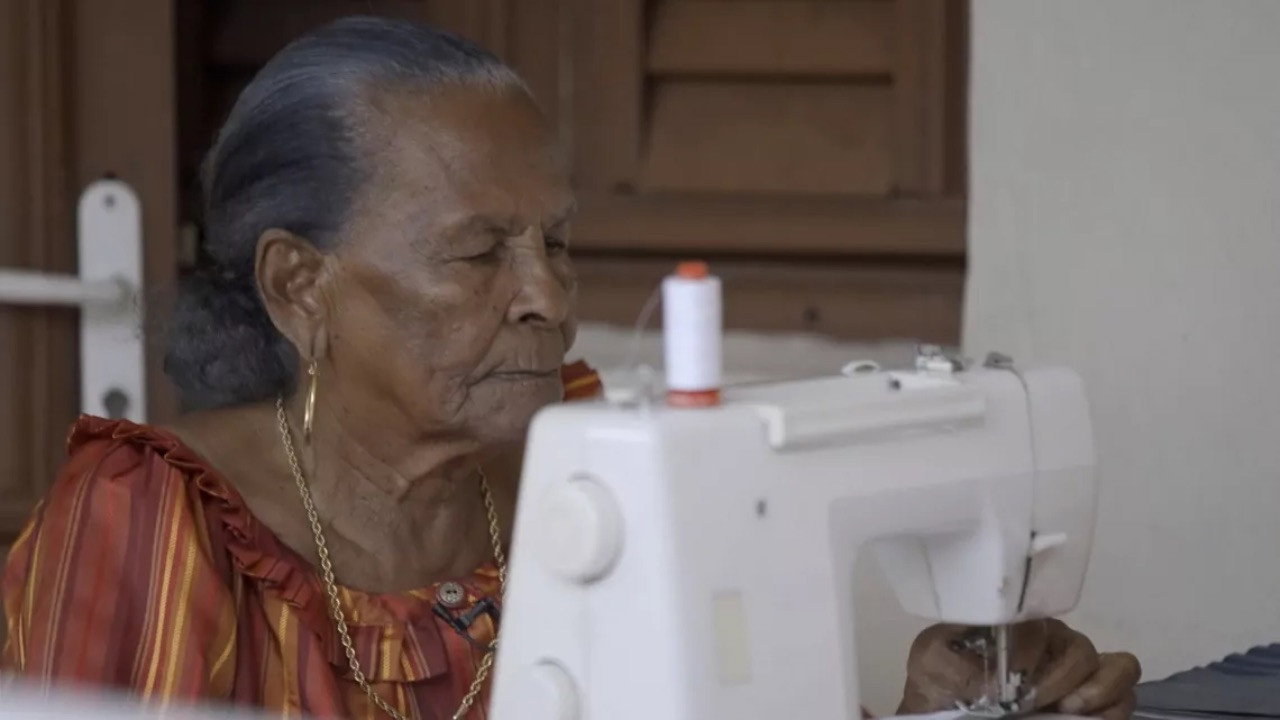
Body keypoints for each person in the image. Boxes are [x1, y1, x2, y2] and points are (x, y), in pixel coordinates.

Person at [0, 16, 1140, 720]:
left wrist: (926, 713)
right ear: (302, 286)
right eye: (478, 251)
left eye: (554, 242)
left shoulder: (612, 472)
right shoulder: (152, 520)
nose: (545, 296)